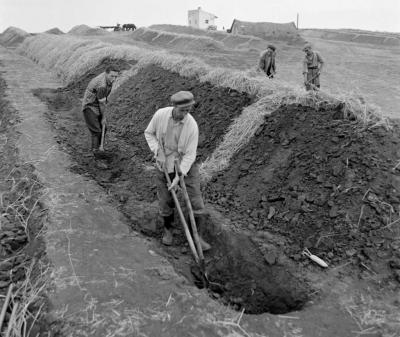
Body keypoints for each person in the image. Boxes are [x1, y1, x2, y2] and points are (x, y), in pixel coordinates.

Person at [144, 91, 211, 250]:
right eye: (183, 110)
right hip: (164, 161)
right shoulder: (161, 115)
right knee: (166, 200)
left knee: (196, 200)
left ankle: (197, 237)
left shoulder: (192, 125)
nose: (185, 114)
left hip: (184, 163)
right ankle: (168, 230)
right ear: (174, 106)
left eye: (188, 110)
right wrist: (157, 151)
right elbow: (149, 133)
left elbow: (190, 154)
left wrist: (179, 175)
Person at [82, 65, 119, 158]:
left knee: (104, 128)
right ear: (106, 74)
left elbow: (103, 101)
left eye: (116, 76)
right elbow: (102, 104)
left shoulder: (108, 79)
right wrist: (103, 117)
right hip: (89, 105)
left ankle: (99, 148)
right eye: (112, 76)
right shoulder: (102, 85)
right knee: (97, 131)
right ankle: (95, 153)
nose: (114, 79)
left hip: (97, 102)